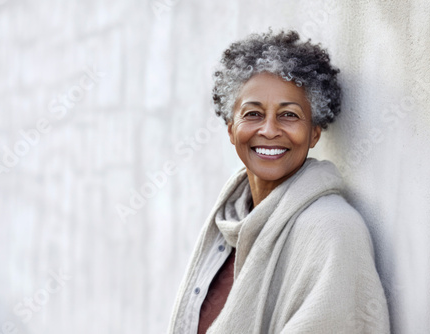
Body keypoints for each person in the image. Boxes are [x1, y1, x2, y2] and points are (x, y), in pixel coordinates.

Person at [167, 28, 390, 333]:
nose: (269, 130)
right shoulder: (230, 222)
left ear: (314, 131)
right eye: (253, 114)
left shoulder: (333, 230)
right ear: (231, 129)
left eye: (289, 115)